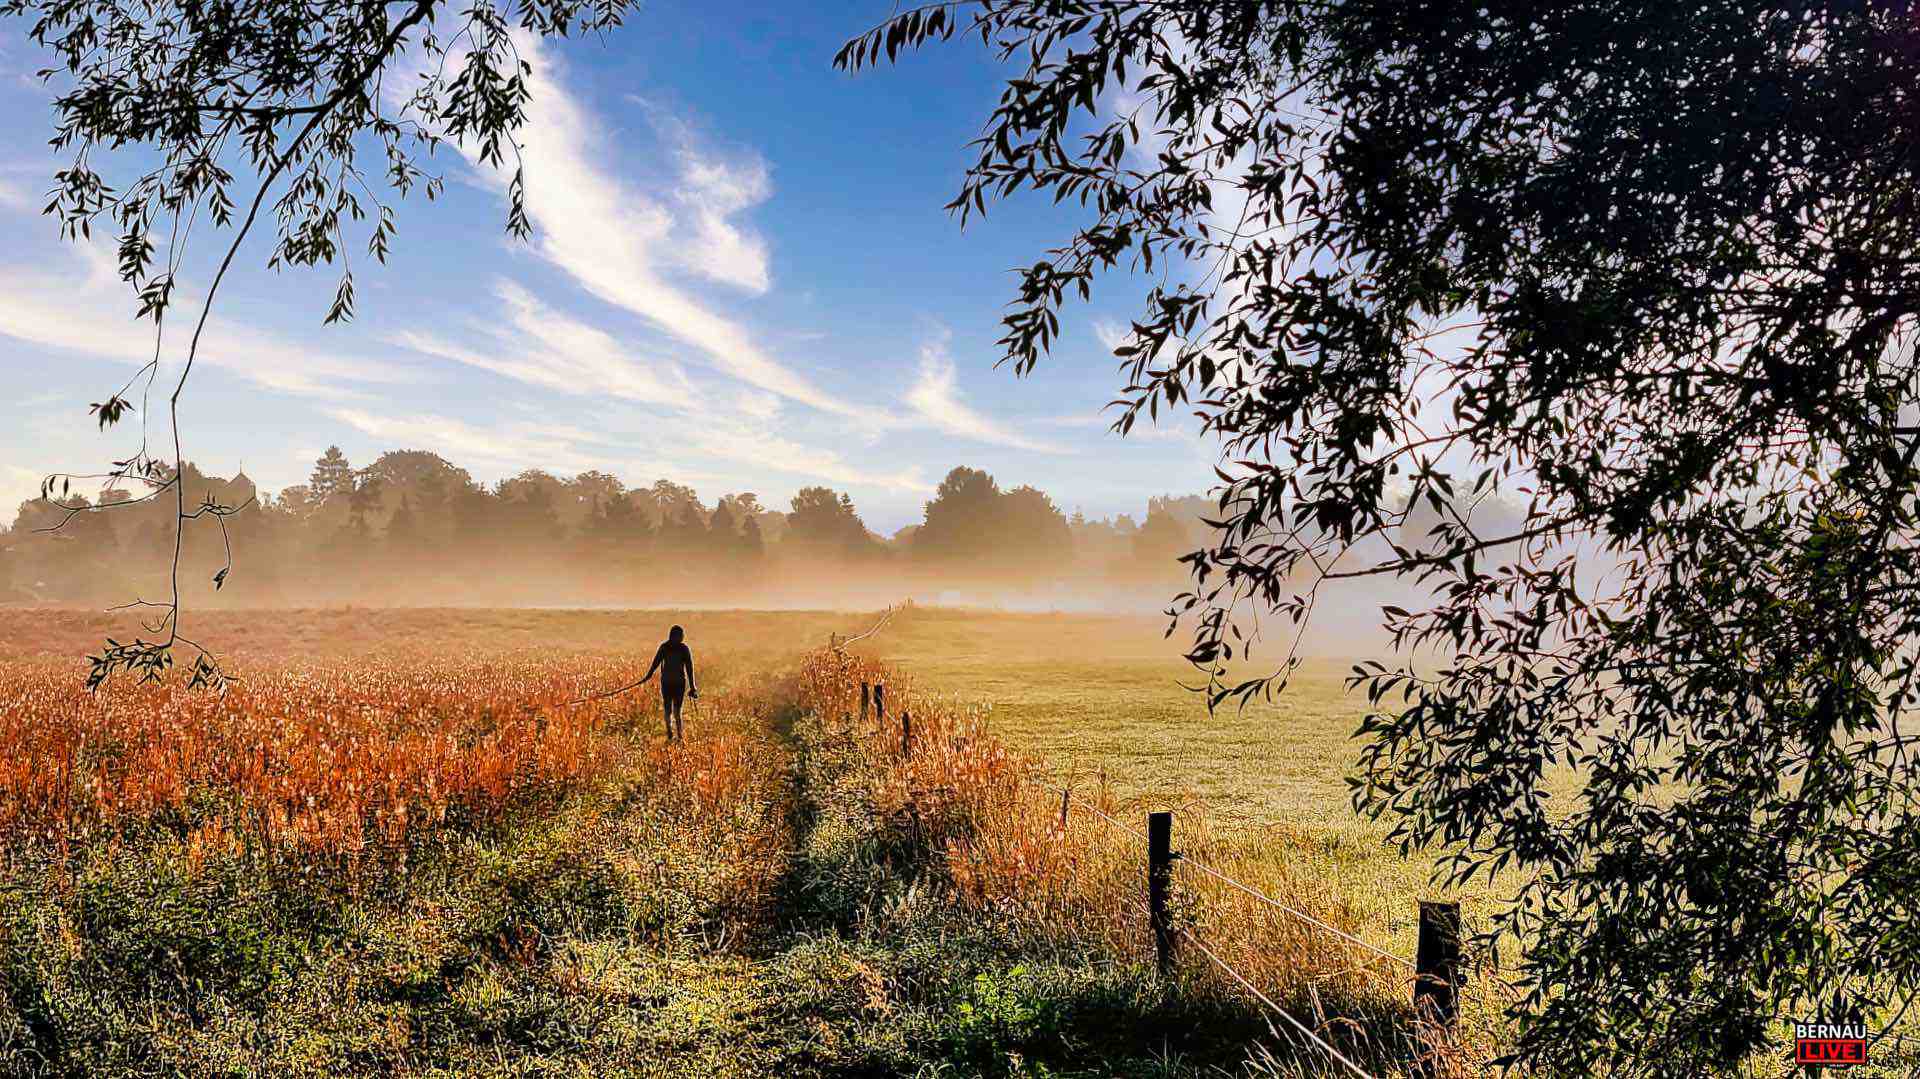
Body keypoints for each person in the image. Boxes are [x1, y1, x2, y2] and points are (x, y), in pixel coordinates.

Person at [638, 624, 698, 741]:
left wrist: (692, 687)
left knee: (673, 710)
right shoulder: (673, 648)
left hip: (674, 683)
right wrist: (648, 675)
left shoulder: (673, 648)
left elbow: (689, 668)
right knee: (671, 709)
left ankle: (676, 734)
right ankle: (673, 733)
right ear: (675, 636)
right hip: (671, 683)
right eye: (680, 635)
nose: (681, 638)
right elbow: (656, 663)